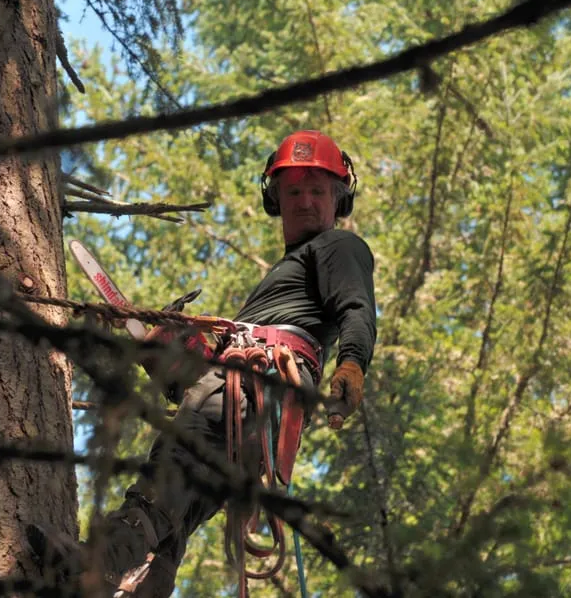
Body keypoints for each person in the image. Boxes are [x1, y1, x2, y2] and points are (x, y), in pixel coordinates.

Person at [28, 130, 378, 597]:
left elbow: (356, 308)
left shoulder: (338, 246)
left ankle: (98, 565)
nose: (305, 201)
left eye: (318, 190)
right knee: (181, 507)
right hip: (252, 404)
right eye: (294, 191)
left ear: (339, 197)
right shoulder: (289, 274)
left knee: (172, 472)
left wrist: (351, 363)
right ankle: (138, 587)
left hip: (257, 382)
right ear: (277, 199)